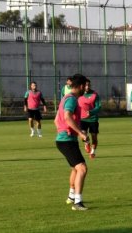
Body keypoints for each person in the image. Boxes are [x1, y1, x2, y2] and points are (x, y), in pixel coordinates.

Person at [55, 74, 90, 210]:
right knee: (82, 168)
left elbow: (56, 120)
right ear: (80, 86)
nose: (86, 88)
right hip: (67, 140)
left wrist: (77, 131)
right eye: (85, 86)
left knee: (75, 169)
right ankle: (77, 202)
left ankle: (71, 197)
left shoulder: (65, 98)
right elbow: (67, 117)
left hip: (65, 139)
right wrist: (80, 133)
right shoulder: (72, 100)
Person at [78, 79, 101, 159]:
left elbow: (99, 107)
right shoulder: (78, 94)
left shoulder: (95, 94)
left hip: (93, 119)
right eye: (85, 85)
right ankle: (86, 142)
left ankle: (92, 152)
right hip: (82, 119)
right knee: (83, 134)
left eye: (88, 85)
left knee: (94, 137)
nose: (87, 87)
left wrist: (91, 112)